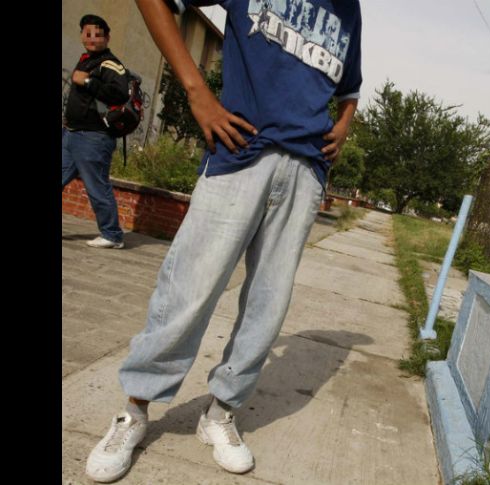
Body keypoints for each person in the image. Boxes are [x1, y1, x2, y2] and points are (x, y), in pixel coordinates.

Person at [85, 0, 362, 482]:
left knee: (267, 303)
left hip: (305, 171)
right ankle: (135, 410)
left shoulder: (350, 9)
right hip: (240, 152)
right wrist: (197, 93)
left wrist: (343, 125)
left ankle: (220, 413)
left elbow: (350, 87)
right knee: (190, 289)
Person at [62, 14, 129, 249]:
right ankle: (111, 233)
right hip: (71, 134)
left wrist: (88, 82)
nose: (92, 38)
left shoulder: (110, 64)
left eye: (97, 34)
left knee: (97, 187)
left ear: (107, 38)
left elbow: (120, 94)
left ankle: (112, 235)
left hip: (93, 137)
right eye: (87, 33)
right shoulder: (86, 60)